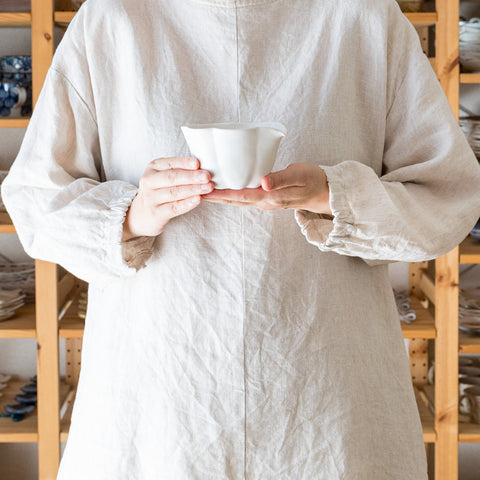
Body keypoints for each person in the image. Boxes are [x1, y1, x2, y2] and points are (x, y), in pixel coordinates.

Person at [2, 0, 480, 478]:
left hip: (328, 402)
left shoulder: (364, 17)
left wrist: (334, 194)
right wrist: (133, 214)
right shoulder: (113, 18)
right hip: (158, 400)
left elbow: (447, 197)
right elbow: (37, 200)